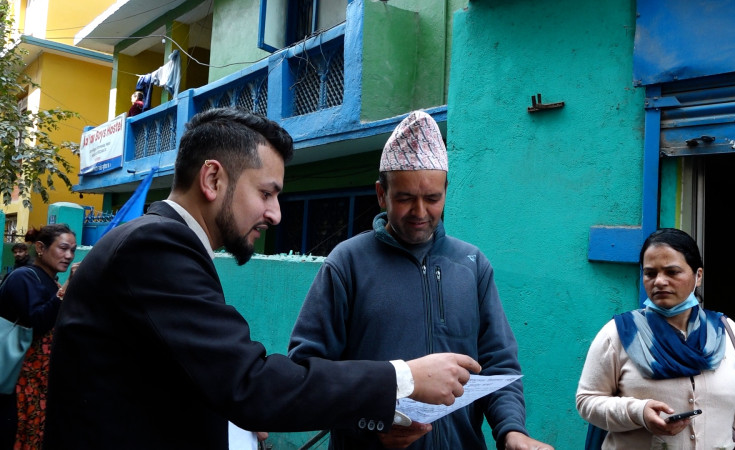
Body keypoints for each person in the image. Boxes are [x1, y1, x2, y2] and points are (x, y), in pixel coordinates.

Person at [42, 107, 481, 450]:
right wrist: (403, 377)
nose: (274, 214)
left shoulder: (162, 245)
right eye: (266, 193)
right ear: (213, 177)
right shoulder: (155, 249)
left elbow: (188, 380)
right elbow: (249, 382)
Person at [287, 111, 554, 450]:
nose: (419, 212)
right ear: (381, 194)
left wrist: (512, 431)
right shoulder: (347, 263)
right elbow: (307, 371)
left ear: (445, 192)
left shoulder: (472, 265)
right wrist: (370, 425)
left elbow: (498, 365)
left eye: (432, 199)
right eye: (404, 198)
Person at [575, 228, 735, 449]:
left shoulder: (728, 333)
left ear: (698, 276)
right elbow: (587, 401)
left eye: (672, 272)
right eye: (650, 273)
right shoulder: (620, 334)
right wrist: (638, 412)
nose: (659, 281)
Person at [0, 224, 78, 449]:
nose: (69, 256)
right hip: (19, 379)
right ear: (41, 248)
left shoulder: (50, 280)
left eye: (72, 250)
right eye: (63, 248)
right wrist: (66, 289)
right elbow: (39, 322)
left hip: (39, 381)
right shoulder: (23, 277)